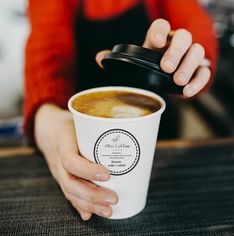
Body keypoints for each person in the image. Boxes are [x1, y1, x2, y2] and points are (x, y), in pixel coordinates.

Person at [24, 0, 218, 221]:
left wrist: (189, 60)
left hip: (160, 138)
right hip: (80, 136)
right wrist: (47, 117)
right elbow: (47, 49)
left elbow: (193, 20)